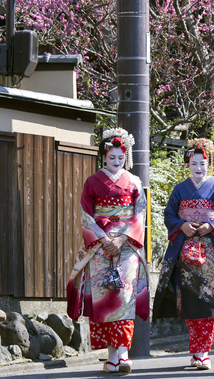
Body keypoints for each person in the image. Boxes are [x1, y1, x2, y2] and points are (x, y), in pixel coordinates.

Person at [66, 128, 148, 374]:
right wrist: (103, 239)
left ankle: (122, 354)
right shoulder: (92, 182)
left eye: (120, 158)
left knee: (125, 298)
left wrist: (122, 238)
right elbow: (86, 215)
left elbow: (140, 214)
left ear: (126, 157)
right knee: (104, 300)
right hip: (101, 247)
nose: (116, 162)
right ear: (104, 156)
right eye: (112, 158)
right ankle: (111, 356)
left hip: (126, 248)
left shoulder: (134, 182)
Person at [152, 138, 214, 370]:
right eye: (194, 163)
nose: (198, 168)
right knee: (189, 302)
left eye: (202, 163)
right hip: (187, 255)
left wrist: (212, 226)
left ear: (209, 163)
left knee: (209, 302)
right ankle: (197, 349)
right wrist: (181, 225)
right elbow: (169, 215)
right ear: (187, 164)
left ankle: (203, 352)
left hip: (210, 253)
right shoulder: (180, 189)